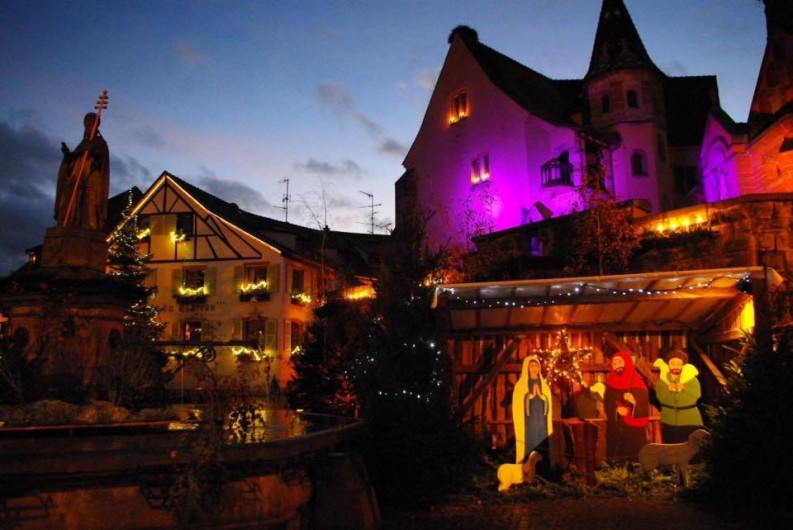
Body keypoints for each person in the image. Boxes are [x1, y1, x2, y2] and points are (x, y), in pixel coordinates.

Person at [55, 112, 110, 230]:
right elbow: (73, 160)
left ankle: (90, 226)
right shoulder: (83, 143)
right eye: (86, 124)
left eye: (90, 123)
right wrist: (67, 155)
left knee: (89, 201)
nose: (88, 126)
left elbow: (101, 161)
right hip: (77, 177)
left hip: (91, 177)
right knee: (70, 197)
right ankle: (70, 221)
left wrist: (92, 154)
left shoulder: (100, 143)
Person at [604, 351, 649, 462]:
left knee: (634, 456)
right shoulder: (610, 383)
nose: (617, 365)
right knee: (617, 457)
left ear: (627, 363)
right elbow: (607, 404)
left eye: (620, 362)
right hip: (616, 427)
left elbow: (643, 405)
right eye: (614, 363)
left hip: (634, 430)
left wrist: (634, 402)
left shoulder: (637, 381)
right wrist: (616, 410)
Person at [654, 350, 704, 444]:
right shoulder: (662, 382)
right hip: (669, 420)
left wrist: (684, 388)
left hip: (690, 420)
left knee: (692, 447)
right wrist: (668, 389)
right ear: (668, 365)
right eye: (672, 363)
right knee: (672, 446)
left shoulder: (692, 380)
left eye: (678, 363)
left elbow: (696, 395)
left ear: (683, 365)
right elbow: (661, 398)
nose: (676, 366)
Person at [512, 355, 553, 465]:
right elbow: (518, 403)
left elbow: (547, 404)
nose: (534, 368)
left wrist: (542, 396)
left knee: (542, 444)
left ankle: (543, 467)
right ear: (527, 368)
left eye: (536, 366)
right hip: (529, 421)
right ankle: (527, 468)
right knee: (530, 443)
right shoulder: (521, 385)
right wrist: (529, 396)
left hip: (541, 422)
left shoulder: (544, 386)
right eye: (531, 366)